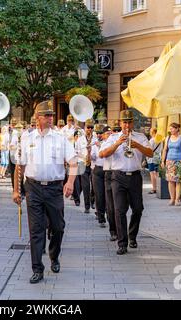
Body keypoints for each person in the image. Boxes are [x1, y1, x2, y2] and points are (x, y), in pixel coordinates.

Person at [12, 100, 77, 284]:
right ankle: (37, 269)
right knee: (36, 229)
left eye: (51, 115)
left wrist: (70, 182)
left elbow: (73, 162)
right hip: (33, 188)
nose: (50, 118)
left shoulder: (60, 139)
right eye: (47, 115)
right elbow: (20, 166)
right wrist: (16, 190)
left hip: (54, 188)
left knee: (58, 227)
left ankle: (54, 256)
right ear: (37, 118)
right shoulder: (27, 139)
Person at [99, 110, 153, 255]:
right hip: (118, 176)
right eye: (124, 122)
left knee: (138, 209)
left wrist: (138, 146)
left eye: (129, 122)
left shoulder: (140, 137)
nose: (127, 125)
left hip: (135, 176)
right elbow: (102, 154)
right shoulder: (113, 137)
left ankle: (132, 236)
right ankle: (122, 243)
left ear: (132, 123)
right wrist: (117, 143)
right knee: (119, 210)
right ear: (120, 123)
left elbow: (150, 153)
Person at [160, 123, 181, 206]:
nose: (170, 130)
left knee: (178, 181)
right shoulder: (167, 138)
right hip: (169, 161)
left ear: (177, 129)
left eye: (172, 129)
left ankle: (177, 199)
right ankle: (172, 199)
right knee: (170, 180)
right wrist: (162, 161)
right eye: (170, 129)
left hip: (178, 161)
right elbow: (165, 150)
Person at [99, 125, 117, 241]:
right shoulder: (105, 143)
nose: (112, 134)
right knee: (111, 205)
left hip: (120, 173)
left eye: (115, 131)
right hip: (109, 174)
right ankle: (113, 231)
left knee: (120, 206)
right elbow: (102, 154)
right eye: (109, 133)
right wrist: (115, 144)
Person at [91, 124, 107, 228]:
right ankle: (101, 217)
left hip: (107, 170)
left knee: (107, 195)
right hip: (97, 169)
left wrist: (100, 146)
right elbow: (92, 158)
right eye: (97, 133)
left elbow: (106, 154)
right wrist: (89, 151)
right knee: (99, 194)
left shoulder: (108, 143)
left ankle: (107, 213)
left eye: (100, 133)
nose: (99, 135)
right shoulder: (94, 144)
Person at [147, 128, 162, 194]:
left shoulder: (152, 140)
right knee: (157, 173)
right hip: (158, 157)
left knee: (152, 173)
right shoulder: (160, 139)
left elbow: (149, 149)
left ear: (152, 132)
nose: (149, 132)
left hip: (152, 158)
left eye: (150, 131)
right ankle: (158, 187)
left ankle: (154, 188)